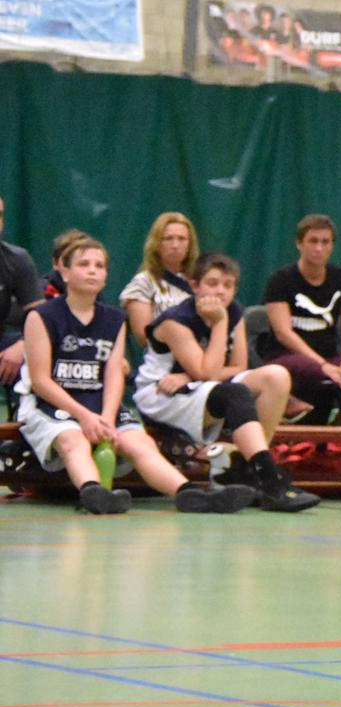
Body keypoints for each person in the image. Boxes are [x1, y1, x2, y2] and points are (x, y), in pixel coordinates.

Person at [17, 238, 261, 514]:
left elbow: (113, 375)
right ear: (65, 272)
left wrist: (107, 416)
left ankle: (190, 494)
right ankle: (93, 492)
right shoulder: (42, 316)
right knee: (73, 440)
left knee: (140, 443)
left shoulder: (113, 319)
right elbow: (40, 381)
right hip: (51, 402)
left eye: (99, 265)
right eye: (84, 264)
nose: (93, 270)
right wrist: (83, 416)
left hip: (99, 402)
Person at [135, 252, 320, 511]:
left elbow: (238, 366)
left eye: (228, 285)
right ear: (194, 285)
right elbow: (207, 372)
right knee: (235, 393)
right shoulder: (175, 321)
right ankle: (270, 479)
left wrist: (189, 374)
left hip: (197, 386)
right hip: (160, 394)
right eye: (212, 283)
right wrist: (220, 324)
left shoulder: (234, 311)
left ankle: (247, 468)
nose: (220, 291)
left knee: (276, 376)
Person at [261, 215, 341, 422]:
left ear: (332, 246)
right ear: (299, 243)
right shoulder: (280, 280)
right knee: (315, 371)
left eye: (325, 242)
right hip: (286, 357)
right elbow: (283, 333)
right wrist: (322, 365)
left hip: (330, 358)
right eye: (313, 241)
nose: (319, 248)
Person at [119, 211, 200, 353]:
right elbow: (145, 338)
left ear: (190, 244)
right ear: (156, 243)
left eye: (182, 239)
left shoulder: (200, 280)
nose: (175, 245)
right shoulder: (143, 283)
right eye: (168, 239)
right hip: (164, 360)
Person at [0, 192, 41, 389]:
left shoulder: (17, 259)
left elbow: (41, 317)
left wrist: (22, 345)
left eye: (0, 215)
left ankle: (34, 408)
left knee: (39, 350)